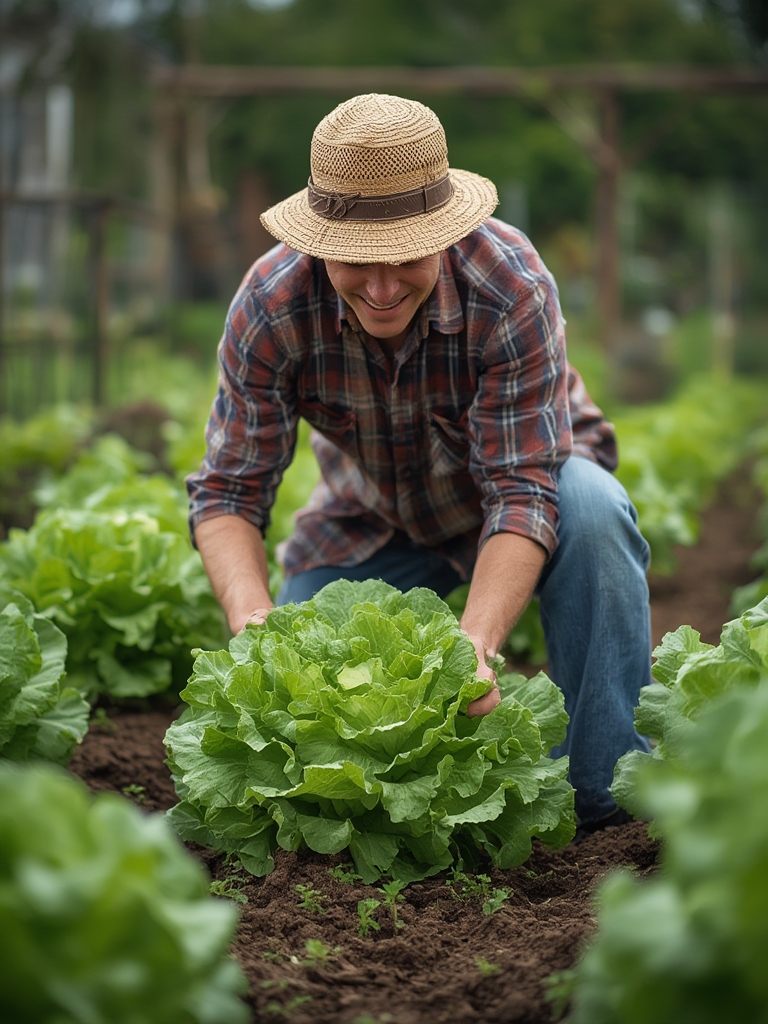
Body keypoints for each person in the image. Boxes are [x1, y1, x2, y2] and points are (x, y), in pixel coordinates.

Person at [187, 92, 651, 837]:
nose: (381, 288)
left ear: (446, 234)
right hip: (375, 515)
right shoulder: (271, 306)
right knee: (301, 672)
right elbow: (228, 493)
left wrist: (475, 646)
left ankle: (604, 805)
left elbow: (522, 490)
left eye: (406, 257)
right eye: (355, 262)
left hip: (531, 492)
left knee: (594, 512)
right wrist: (250, 617)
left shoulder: (510, 285)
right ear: (319, 245)